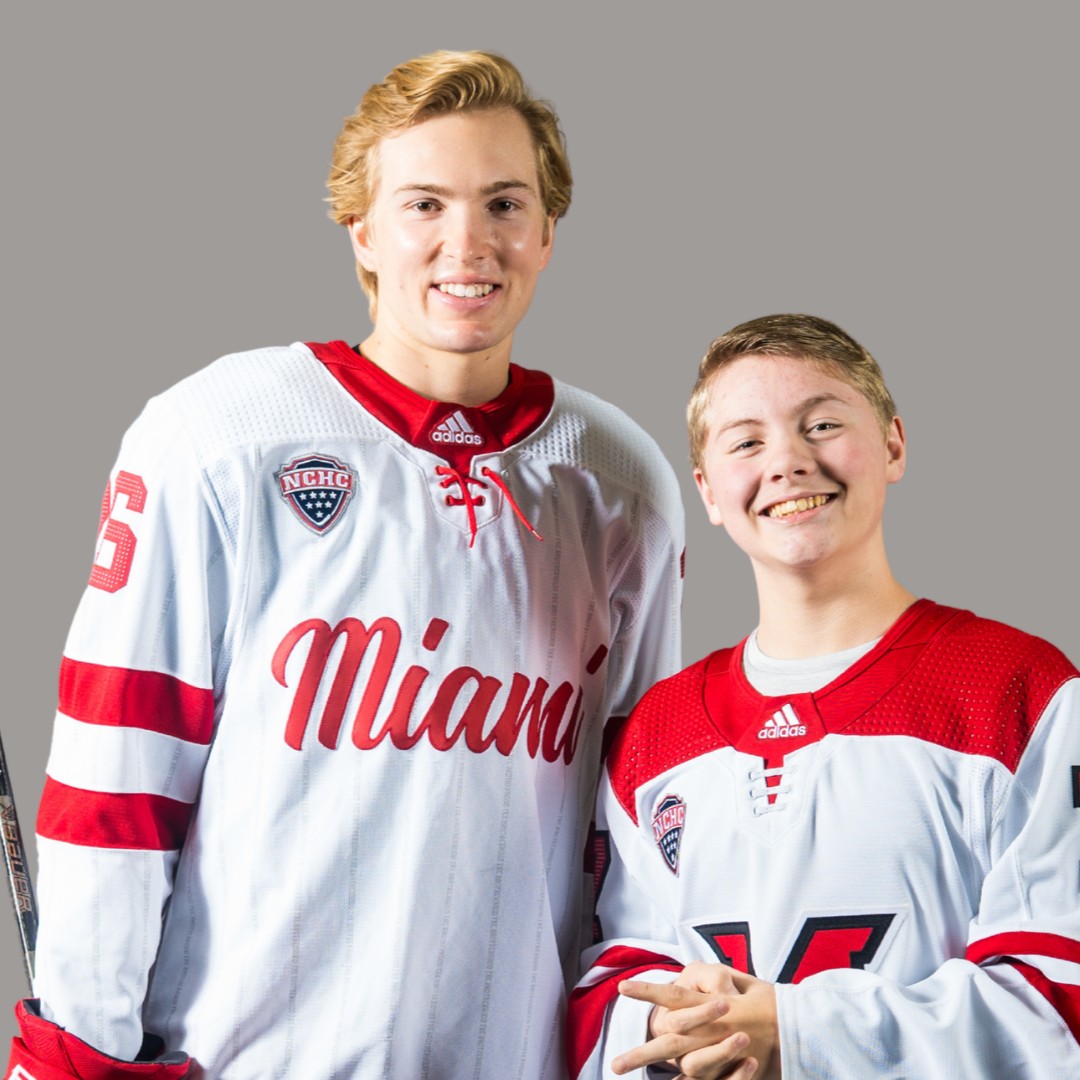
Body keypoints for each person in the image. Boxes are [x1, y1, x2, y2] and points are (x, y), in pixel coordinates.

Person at [6, 51, 684, 1079]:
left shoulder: (621, 478)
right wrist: (80, 1050)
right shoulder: (219, 433)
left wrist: (631, 1045)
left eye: (505, 203)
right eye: (425, 204)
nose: (469, 242)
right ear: (361, 229)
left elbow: (639, 830)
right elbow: (120, 773)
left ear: (547, 232)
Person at [567, 313, 1080, 1079]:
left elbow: (1059, 998)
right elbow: (613, 978)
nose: (788, 462)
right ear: (709, 492)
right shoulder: (654, 734)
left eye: (822, 425)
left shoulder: (1020, 690)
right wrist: (669, 1025)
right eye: (747, 442)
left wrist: (797, 1032)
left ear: (894, 446)